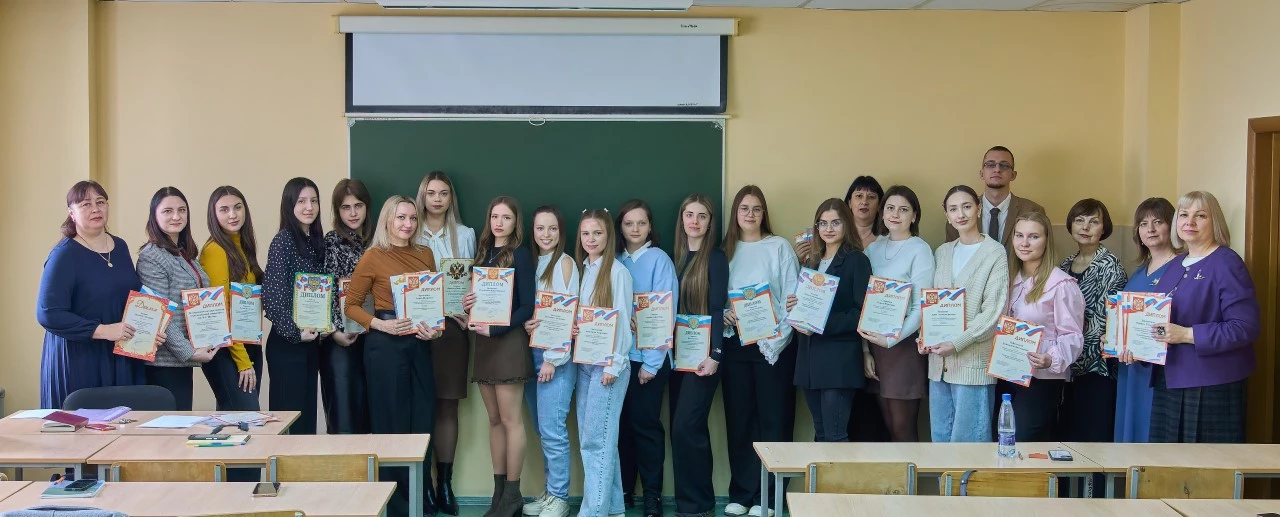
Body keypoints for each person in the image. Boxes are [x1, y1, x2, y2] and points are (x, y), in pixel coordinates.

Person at [343, 195, 441, 516]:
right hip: (385, 346)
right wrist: (380, 325)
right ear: (387, 220)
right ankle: (395, 504)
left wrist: (435, 331)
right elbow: (351, 305)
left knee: (423, 420)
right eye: (401, 218)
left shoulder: (425, 253)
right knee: (391, 423)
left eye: (412, 218)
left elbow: (433, 304)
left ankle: (420, 497)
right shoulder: (373, 256)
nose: (407, 224)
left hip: (420, 345)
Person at [1149, 191, 1259, 443]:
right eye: (1184, 215)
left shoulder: (1227, 262)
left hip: (1211, 383)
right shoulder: (1175, 265)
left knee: (1204, 464)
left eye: (1200, 216)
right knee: (1166, 462)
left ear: (1215, 222)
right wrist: (1133, 344)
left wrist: (1187, 334)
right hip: (1169, 380)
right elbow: (1157, 319)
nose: (1190, 222)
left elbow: (1245, 327)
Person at [721, 185, 799, 517]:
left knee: (774, 421)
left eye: (756, 208)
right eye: (744, 208)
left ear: (764, 213)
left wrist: (775, 341)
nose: (750, 214)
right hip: (735, 345)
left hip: (774, 346)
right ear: (735, 213)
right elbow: (716, 296)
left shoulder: (779, 247)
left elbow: (792, 298)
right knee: (739, 422)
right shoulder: (723, 251)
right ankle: (742, 493)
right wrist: (724, 314)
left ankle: (769, 498)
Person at [38, 181, 150, 409]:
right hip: (79, 358)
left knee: (123, 424)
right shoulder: (64, 255)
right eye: (85, 204)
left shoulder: (120, 246)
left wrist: (149, 329)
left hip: (120, 353)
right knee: (83, 427)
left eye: (101, 202)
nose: (95, 209)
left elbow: (130, 296)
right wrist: (103, 331)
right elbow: (48, 313)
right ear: (72, 213)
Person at [462, 196, 535, 517]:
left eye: (506, 217)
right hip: (483, 343)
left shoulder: (521, 254)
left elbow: (527, 306)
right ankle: (499, 493)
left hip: (507, 343)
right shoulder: (482, 253)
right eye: (494, 216)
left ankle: (513, 494)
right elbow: (478, 300)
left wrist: (496, 329)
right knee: (493, 420)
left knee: (510, 420)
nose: (499, 222)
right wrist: (468, 304)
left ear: (515, 222)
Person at [923, 185, 1008, 442]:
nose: (960, 214)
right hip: (939, 367)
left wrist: (956, 342)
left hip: (972, 367)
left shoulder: (994, 252)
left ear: (979, 209)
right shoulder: (942, 252)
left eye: (967, 206)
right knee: (940, 443)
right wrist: (926, 336)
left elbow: (993, 313)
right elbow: (934, 304)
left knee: (970, 446)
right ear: (947, 215)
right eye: (953, 209)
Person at [415, 171, 476, 515]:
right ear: (422, 196)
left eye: (443, 193)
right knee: (420, 406)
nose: (437, 199)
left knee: (447, 406)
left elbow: (476, 283)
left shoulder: (465, 235)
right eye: (431, 193)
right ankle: (423, 482)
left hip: (453, 330)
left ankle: (445, 484)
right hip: (417, 328)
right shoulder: (409, 230)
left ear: (451, 198)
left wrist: (470, 307)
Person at [789, 199, 873, 442]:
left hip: (839, 361)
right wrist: (793, 307)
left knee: (835, 438)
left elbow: (862, 313)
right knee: (821, 435)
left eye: (835, 222)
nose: (828, 229)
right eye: (823, 223)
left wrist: (820, 324)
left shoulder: (857, 260)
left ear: (847, 224)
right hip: (809, 360)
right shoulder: (812, 262)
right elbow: (806, 307)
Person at [615, 199, 678, 517]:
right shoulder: (614, 260)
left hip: (648, 360)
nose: (635, 229)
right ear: (620, 227)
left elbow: (664, 314)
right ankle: (624, 491)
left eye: (641, 223)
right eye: (629, 223)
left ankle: (652, 496)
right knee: (621, 427)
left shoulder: (659, 260)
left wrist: (652, 364)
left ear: (650, 226)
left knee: (645, 427)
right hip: (618, 359)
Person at [667, 194, 728, 517]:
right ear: (682, 219)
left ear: (710, 222)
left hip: (704, 357)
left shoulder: (715, 258)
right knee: (682, 429)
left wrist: (716, 353)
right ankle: (688, 503)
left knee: (686, 427)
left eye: (702, 216)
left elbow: (717, 308)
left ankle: (699, 504)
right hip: (676, 357)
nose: (694, 221)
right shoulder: (673, 258)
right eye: (689, 214)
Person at [859, 186, 933, 442]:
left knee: (903, 429)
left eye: (903, 209)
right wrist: (866, 350)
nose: (895, 214)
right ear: (882, 213)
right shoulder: (873, 249)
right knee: (888, 426)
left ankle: (911, 471)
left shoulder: (920, 249)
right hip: (875, 347)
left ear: (914, 216)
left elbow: (922, 306)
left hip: (904, 346)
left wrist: (892, 339)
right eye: (890, 208)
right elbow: (863, 303)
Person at [573, 208, 635, 517]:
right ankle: (614, 508)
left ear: (609, 235)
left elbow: (622, 320)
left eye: (597, 233)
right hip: (585, 363)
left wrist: (614, 365)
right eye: (585, 233)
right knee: (600, 441)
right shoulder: (585, 269)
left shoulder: (617, 272)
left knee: (595, 442)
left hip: (608, 367)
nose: (591, 239)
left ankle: (593, 512)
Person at [521, 206, 581, 517]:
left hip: (556, 357)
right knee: (543, 429)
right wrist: (526, 322)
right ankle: (550, 492)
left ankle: (560, 497)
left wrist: (553, 359)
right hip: (531, 352)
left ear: (561, 232)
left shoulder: (565, 263)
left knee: (553, 429)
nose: (546, 234)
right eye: (540, 228)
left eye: (553, 228)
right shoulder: (532, 262)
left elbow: (566, 314)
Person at [1004, 212, 1085, 441]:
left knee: (1024, 441)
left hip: (1040, 378)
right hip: (1007, 373)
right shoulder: (1009, 279)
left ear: (1046, 240)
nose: (1024, 243)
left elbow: (1073, 335)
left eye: (1033, 236)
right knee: (1002, 438)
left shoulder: (1060, 284)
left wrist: (1051, 358)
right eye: (1019, 235)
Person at [135, 187, 217, 410]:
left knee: (181, 422)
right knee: (171, 426)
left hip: (180, 360)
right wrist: (189, 351)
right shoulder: (152, 256)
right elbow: (160, 312)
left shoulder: (183, 252)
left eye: (182, 210)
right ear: (154, 216)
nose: (176, 216)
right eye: (168, 211)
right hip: (163, 362)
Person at [1057, 199, 1127, 443]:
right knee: (1067, 435)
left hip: (1097, 366)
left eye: (1093, 222)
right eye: (1079, 220)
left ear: (1103, 228)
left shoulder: (1111, 267)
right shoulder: (1065, 265)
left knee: (1092, 438)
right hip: (1068, 365)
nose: (1085, 227)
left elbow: (1106, 321)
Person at [263, 177, 328, 435]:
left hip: (310, 344)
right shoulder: (283, 241)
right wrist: (295, 333)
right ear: (289, 205)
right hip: (288, 344)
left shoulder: (315, 242)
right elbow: (273, 296)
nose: (309, 207)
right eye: (301, 201)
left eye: (314, 201)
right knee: (288, 423)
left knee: (306, 422)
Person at [1114, 198, 1179, 443]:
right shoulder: (1139, 271)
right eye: (1143, 224)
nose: (1150, 229)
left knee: (1151, 435)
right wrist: (1112, 338)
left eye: (1158, 222)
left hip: (1159, 370)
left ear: (1172, 226)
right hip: (1130, 366)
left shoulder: (1182, 268)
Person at [199, 186, 264, 411]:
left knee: (235, 422)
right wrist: (243, 361)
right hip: (228, 349)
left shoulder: (242, 246)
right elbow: (222, 310)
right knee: (248, 419)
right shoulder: (215, 250)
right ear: (213, 214)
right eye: (224, 210)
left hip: (248, 344)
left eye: (237, 207)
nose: (233, 215)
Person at [321, 179, 374, 435]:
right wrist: (334, 332)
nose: (353, 213)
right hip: (341, 340)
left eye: (358, 206)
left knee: (370, 414)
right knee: (344, 415)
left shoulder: (378, 241)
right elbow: (326, 289)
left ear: (367, 207)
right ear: (337, 211)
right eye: (345, 207)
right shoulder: (332, 241)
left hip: (373, 336)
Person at [946, 146, 1046, 246]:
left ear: (1013, 175)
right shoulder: (958, 213)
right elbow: (952, 250)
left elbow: (1042, 251)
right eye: (990, 165)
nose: (997, 169)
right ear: (982, 173)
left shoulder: (1033, 210)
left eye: (1004, 165)